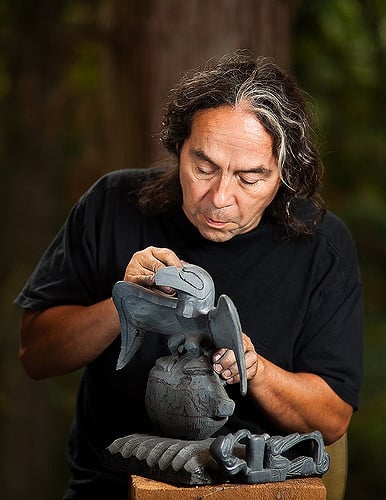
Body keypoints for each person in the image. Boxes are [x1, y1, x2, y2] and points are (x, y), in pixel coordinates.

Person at [15, 52, 363, 499]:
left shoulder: (322, 246)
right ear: (179, 147)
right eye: (203, 167)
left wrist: (252, 369)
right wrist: (125, 304)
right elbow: (35, 354)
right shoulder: (111, 205)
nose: (219, 198)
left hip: (254, 490)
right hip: (109, 486)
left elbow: (331, 420)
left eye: (250, 178)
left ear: (285, 173)